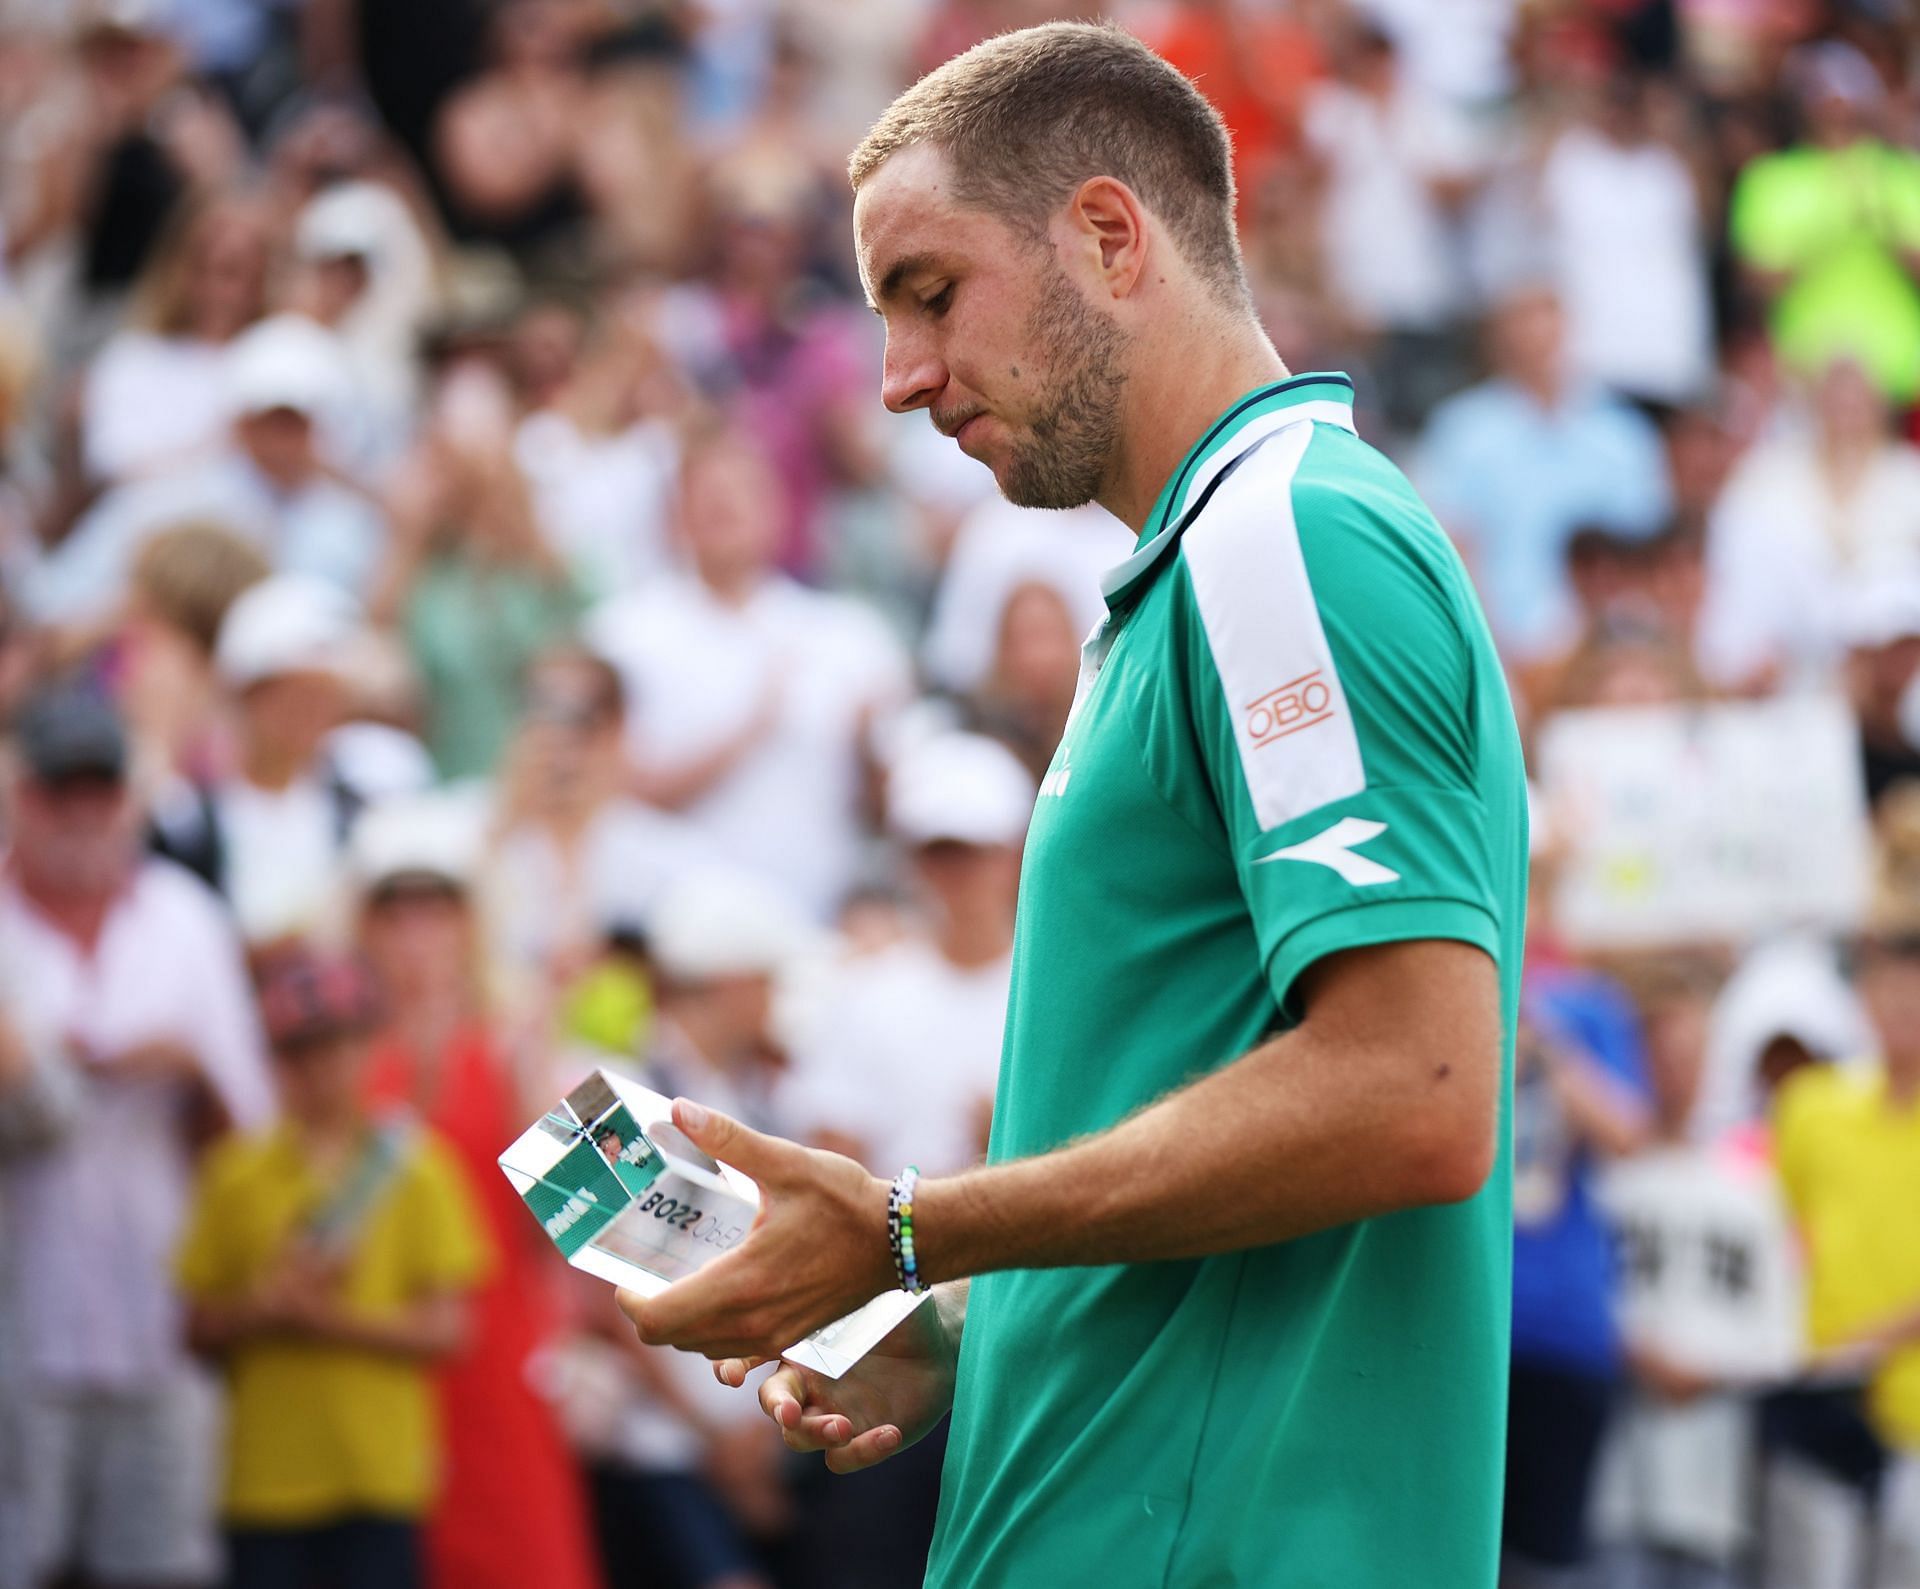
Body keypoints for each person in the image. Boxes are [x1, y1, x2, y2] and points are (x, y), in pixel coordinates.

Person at [619, 23, 1528, 1589]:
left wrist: (911, 1230)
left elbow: (1415, 1087)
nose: (899, 380)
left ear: (1109, 236)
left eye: (930, 291)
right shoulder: (1215, 564)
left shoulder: (1280, 542)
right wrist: (978, 1328)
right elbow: (1229, 1119)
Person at [0, 678, 273, 1589]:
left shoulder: (187, 922)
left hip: (161, 1325)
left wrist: (186, 1072)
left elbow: (255, 1145)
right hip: (16, 1331)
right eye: (57, 789)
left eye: (99, 788)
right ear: (18, 792)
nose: (81, 812)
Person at [176, 947, 490, 1589]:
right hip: (264, 1479)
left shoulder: (419, 1169)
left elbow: (451, 1331)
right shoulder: (235, 1173)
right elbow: (193, 1331)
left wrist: (321, 1319)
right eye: (304, 1050)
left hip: (377, 1475)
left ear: (370, 1047)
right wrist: (259, 1311)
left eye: (341, 1045)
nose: (326, 1067)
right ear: (277, 1061)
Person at [354, 794, 606, 1589]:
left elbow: (606, 1214)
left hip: (498, 1364)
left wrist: (540, 1063)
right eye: (394, 908)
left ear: (472, 919)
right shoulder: (326, 1055)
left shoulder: (521, 1038)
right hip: (367, 1363)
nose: (417, 931)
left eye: (438, 905)